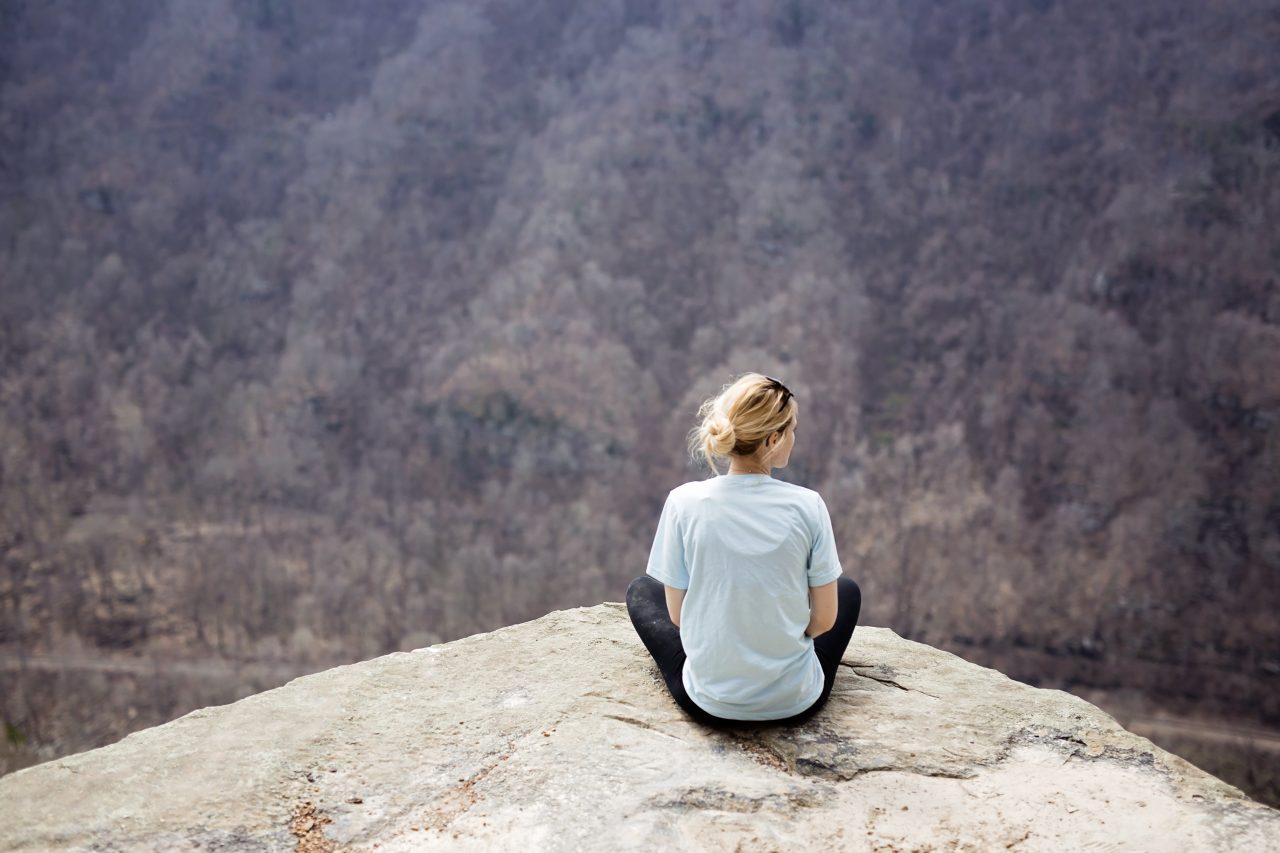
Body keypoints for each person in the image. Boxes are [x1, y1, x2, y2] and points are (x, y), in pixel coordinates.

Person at [626, 372, 862, 728]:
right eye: (792, 430)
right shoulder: (807, 505)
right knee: (847, 591)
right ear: (773, 439)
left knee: (642, 590)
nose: (794, 439)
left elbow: (677, 617)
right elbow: (825, 621)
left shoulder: (684, 502)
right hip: (794, 702)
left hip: (709, 702)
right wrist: (777, 633)